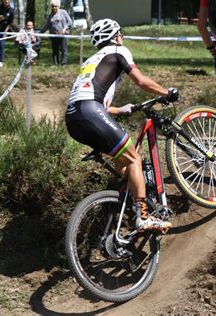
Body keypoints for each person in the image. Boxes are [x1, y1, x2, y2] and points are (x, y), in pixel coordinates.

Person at [66, 19, 179, 232]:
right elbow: (141, 81)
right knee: (134, 158)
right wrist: (166, 92)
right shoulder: (118, 50)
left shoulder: (90, 61)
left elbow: (87, 98)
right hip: (92, 112)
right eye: (121, 34)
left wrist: (119, 110)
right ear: (116, 36)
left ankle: (129, 199)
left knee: (124, 164)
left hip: (74, 119)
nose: (122, 37)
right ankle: (143, 216)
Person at [41, 0, 72, 66]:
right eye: (53, 6)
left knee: (64, 50)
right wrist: (40, 32)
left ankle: (63, 64)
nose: (54, 7)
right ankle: (55, 64)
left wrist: (64, 28)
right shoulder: (50, 15)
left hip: (63, 35)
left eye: (55, 6)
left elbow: (69, 22)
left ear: (59, 6)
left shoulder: (63, 12)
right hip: (54, 35)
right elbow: (47, 25)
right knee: (55, 50)